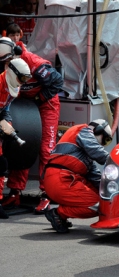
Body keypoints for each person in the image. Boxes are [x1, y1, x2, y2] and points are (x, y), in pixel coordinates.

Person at [0, 39, 63, 214]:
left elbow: (58, 82)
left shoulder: (35, 63)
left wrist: (38, 99)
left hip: (46, 104)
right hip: (24, 104)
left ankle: (47, 194)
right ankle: (15, 191)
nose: (4, 65)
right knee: (20, 145)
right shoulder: (6, 63)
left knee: (46, 149)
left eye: (5, 61)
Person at [42, 119, 112, 233]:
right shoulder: (83, 131)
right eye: (105, 139)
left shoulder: (86, 157)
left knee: (101, 196)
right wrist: (117, 161)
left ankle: (60, 214)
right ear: (98, 130)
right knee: (97, 206)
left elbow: (97, 179)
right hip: (61, 179)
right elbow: (97, 151)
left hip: (61, 179)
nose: (104, 144)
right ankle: (58, 213)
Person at [0, 57, 31, 219]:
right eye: (22, 77)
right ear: (13, 73)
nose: (23, 82)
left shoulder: (14, 89)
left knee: (1, 165)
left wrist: (8, 128)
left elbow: (4, 111)